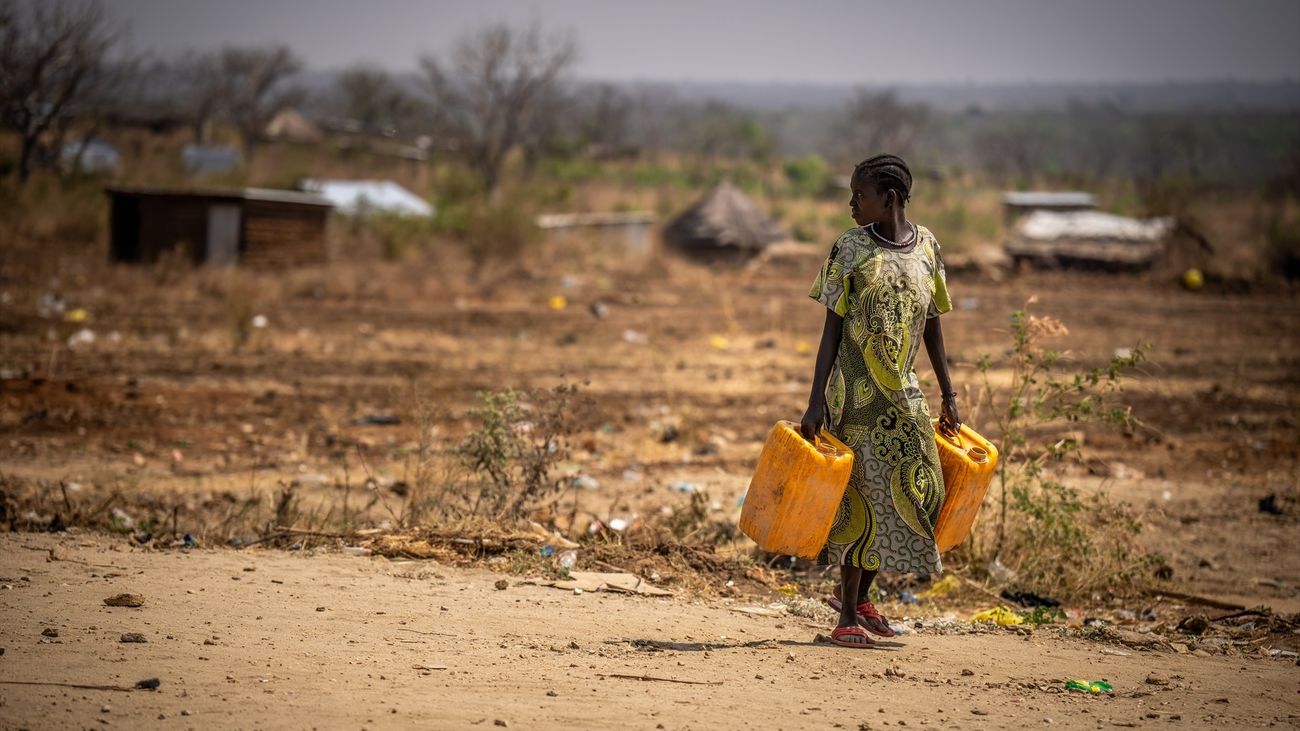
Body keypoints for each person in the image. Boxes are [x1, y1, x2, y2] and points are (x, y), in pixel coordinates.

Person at [801, 154, 960, 649]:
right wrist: (814, 403)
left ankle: (862, 600)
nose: (851, 203)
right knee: (860, 501)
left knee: (922, 490)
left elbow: (933, 325)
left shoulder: (928, 246)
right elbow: (830, 333)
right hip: (854, 395)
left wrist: (949, 396)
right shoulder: (849, 249)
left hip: (903, 394)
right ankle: (846, 615)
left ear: (888, 198)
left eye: (858, 195)